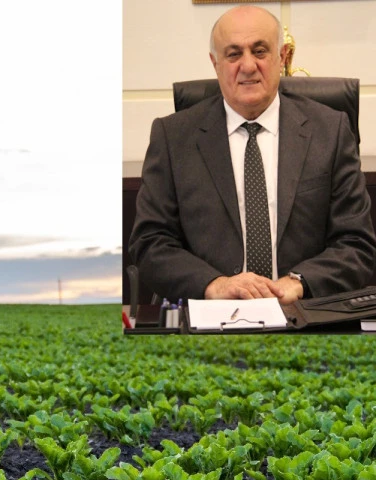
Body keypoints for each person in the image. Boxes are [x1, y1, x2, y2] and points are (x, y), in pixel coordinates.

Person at [129, 5, 375, 302]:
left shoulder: (330, 131)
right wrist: (216, 285)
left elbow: (356, 243)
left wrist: (296, 284)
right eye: (233, 54)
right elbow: (150, 242)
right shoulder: (173, 137)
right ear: (215, 63)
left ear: (282, 57)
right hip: (212, 319)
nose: (247, 66)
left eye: (260, 51)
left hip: (304, 314)